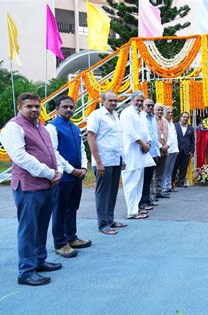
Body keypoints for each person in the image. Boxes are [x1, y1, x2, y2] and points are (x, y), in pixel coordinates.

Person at [0, 92, 63, 286]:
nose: (34, 109)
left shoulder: (42, 127)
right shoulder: (13, 127)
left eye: (37, 106)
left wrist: (58, 170)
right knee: (28, 229)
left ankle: (39, 261)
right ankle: (26, 272)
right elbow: (21, 157)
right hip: (28, 187)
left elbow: (53, 152)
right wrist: (49, 173)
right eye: (29, 106)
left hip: (47, 184)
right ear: (20, 107)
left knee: (42, 226)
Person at [46, 96, 91, 258]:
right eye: (65, 107)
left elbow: (82, 149)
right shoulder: (52, 127)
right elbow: (54, 152)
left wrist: (84, 167)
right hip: (63, 177)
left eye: (71, 107)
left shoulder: (75, 127)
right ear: (57, 108)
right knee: (60, 210)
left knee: (72, 208)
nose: (69, 110)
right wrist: (72, 170)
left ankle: (71, 238)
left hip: (77, 176)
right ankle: (60, 243)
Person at [87, 90, 126, 235]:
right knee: (103, 193)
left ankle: (110, 219)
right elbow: (91, 138)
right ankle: (103, 224)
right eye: (110, 100)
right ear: (102, 101)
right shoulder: (96, 115)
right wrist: (99, 163)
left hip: (116, 160)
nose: (114, 103)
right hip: (103, 160)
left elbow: (118, 140)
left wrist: (123, 159)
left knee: (113, 192)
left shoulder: (116, 116)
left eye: (115, 100)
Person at [120, 91, 153, 220]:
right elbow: (130, 132)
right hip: (131, 153)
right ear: (131, 100)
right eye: (137, 100)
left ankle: (136, 208)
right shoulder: (127, 113)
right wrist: (143, 144)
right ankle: (131, 211)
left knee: (139, 181)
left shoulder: (140, 114)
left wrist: (148, 142)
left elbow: (145, 130)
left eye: (141, 101)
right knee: (131, 182)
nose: (139, 103)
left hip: (141, 153)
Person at [140, 99, 160, 208]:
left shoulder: (153, 118)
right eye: (148, 105)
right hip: (145, 151)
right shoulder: (141, 117)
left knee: (149, 178)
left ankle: (147, 200)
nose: (151, 108)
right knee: (144, 179)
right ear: (143, 106)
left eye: (152, 106)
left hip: (153, 152)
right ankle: (142, 202)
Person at [173, 112, 195, 188]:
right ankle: (171, 183)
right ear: (180, 117)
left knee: (183, 168)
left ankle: (180, 183)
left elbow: (192, 141)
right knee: (174, 167)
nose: (185, 118)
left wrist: (192, 151)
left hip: (186, 151)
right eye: (184, 117)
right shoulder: (174, 126)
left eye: (187, 117)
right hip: (176, 151)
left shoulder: (190, 128)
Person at [161, 107, 179, 193]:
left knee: (170, 169)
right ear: (164, 113)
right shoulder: (163, 122)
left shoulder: (171, 123)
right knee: (165, 169)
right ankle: (163, 187)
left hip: (174, 149)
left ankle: (169, 186)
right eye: (168, 112)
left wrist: (177, 149)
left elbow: (174, 137)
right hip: (167, 149)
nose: (170, 114)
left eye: (171, 112)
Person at [153, 103, 170, 199]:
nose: (160, 112)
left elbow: (170, 134)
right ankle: (153, 193)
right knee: (153, 172)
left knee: (161, 171)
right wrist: (160, 146)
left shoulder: (165, 121)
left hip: (165, 149)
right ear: (154, 110)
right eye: (158, 110)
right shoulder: (152, 120)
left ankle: (159, 191)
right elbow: (152, 135)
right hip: (156, 149)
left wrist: (167, 145)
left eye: (161, 110)